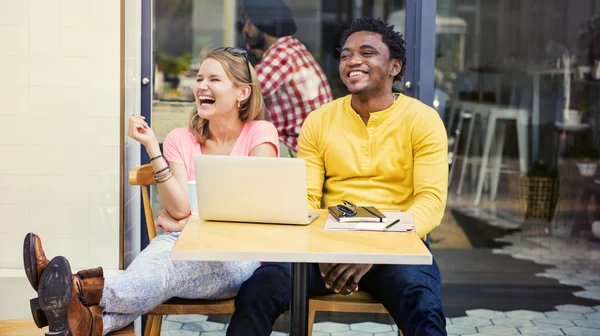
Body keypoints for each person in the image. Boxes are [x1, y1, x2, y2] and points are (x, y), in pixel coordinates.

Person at [23, 46, 279, 336]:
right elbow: (181, 208)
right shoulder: (180, 138)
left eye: (214, 79)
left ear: (242, 93)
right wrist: (151, 147)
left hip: (235, 255)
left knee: (166, 274)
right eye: (199, 78)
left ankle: (71, 286)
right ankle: (86, 322)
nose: (202, 86)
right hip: (177, 241)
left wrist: (187, 223)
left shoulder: (261, 133)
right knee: (151, 275)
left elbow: (250, 210)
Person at [227, 17, 448, 336]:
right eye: (346, 55)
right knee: (258, 290)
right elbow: (305, 199)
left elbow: (430, 203)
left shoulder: (423, 121)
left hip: (396, 247)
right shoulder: (319, 121)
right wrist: (324, 248)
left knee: (423, 307)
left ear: (394, 67)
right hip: (326, 248)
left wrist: (371, 249)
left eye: (367, 52)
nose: (353, 60)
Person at [241, 0, 333, 156]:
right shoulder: (291, 47)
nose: (245, 30)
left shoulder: (282, 55)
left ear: (265, 25)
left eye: (250, 23)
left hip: (298, 148)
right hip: (310, 145)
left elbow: (240, 94)